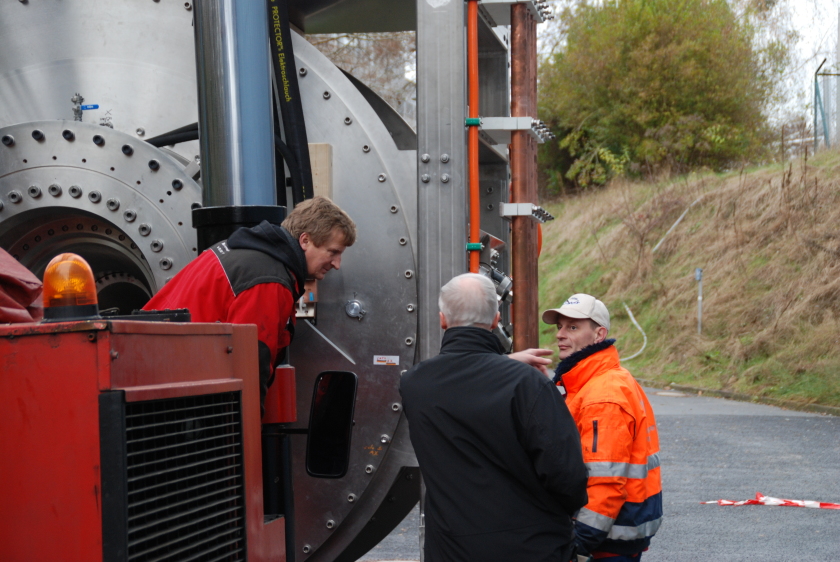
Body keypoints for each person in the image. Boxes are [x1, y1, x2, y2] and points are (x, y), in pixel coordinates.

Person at [400, 273, 589, 562]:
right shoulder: (529, 385)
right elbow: (568, 477)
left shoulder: (415, 385)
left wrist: (502, 362)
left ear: (442, 319)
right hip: (533, 547)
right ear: (495, 320)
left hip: (451, 550)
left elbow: (459, 379)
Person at [143, 196, 356, 413]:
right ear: (305, 241)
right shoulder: (269, 279)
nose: (337, 264)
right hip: (167, 398)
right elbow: (250, 364)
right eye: (333, 252)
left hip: (151, 380)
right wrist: (248, 434)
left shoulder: (248, 253)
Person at [542, 294, 662, 562]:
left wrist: (579, 545)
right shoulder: (595, 381)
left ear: (599, 334)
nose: (560, 334)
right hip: (613, 536)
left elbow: (606, 482)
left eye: (573, 327)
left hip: (603, 543)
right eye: (559, 326)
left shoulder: (603, 396)